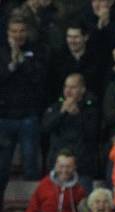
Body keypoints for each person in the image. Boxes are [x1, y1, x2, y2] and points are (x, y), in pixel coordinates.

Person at [0, 16, 45, 202]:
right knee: (2, 166)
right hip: (4, 117)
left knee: (30, 164)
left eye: (21, 31)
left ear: (26, 32)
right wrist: (12, 63)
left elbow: (38, 79)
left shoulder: (35, 51)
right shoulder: (2, 52)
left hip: (28, 117)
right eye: (14, 31)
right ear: (8, 33)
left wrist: (22, 60)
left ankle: (32, 204)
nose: (17, 35)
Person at [42, 73, 99, 192]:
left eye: (73, 87)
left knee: (83, 205)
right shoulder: (56, 107)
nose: (68, 91)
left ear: (82, 90)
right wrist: (62, 112)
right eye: (66, 87)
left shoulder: (91, 109)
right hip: (58, 166)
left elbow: (93, 133)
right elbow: (45, 128)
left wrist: (77, 115)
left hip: (82, 166)